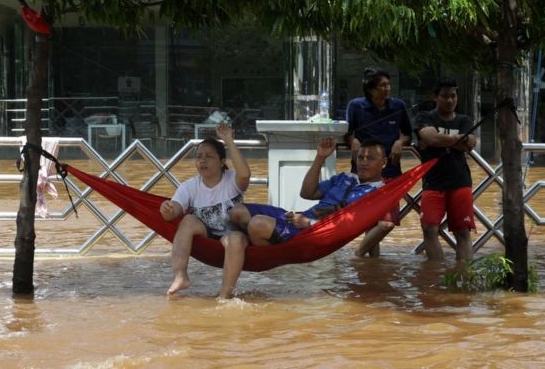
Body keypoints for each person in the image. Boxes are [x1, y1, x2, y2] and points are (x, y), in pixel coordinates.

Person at [229, 137, 394, 247]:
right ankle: (265, 242)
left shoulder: (380, 194)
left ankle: (274, 256)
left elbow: (356, 224)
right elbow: (307, 193)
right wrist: (320, 157)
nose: (364, 162)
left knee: (257, 224)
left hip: (316, 233)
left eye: (370, 158)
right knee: (237, 212)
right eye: (360, 157)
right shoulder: (346, 177)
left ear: (384, 162)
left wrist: (310, 224)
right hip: (302, 220)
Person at [160, 124, 250, 299]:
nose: (203, 161)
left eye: (209, 157)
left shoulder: (231, 180)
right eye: (199, 157)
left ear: (222, 162)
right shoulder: (190, 186)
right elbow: (174, 211)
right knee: (187, 221)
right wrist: (167, 209)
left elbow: (245, 174)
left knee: (236, 239)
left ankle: (224, 294)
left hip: (232, 236)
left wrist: (229, 141)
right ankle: (180, 276)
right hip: (206, 237)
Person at [345, 66, 413, 256]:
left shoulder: (398, 106)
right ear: (371, 89)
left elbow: (408, 133)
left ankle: (357, 256)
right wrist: (353, 141)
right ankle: (373, 271)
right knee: (370, 223)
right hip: (364, 176)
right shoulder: (355, 106)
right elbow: (347, 133)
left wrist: (400, 142)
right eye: (383, 85)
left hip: (390, 172)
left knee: (386, 223)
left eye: (388, 84)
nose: (387, 88)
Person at [413, 77, 477, 261]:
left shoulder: (464, 119)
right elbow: (429, 138)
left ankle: (464, 275)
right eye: (444, 96)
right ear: (435, 98)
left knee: (463, 232)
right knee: (429, 229)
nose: (450, 100)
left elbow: (471, 143)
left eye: (453, 96)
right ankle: (436, 274)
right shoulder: (424, 117)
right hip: (433, 182)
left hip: (460, 181)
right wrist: (459, 140)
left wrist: (439, 139)